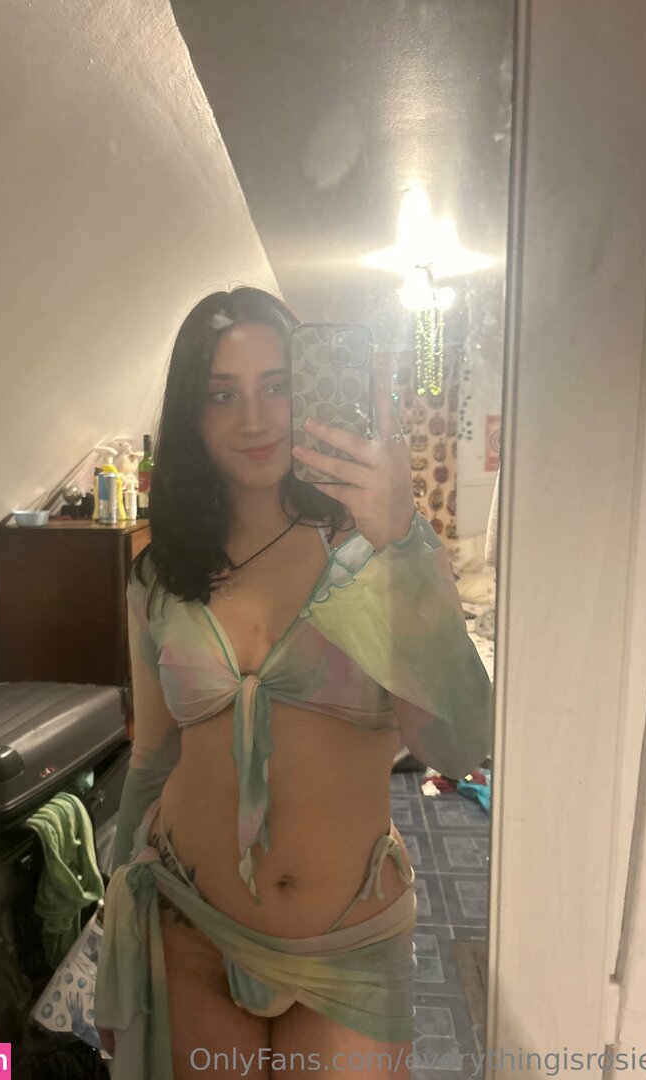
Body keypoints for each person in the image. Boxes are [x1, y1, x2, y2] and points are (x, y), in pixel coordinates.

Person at [94, 288, 493, 1078]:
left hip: (350, 941)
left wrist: (399, 541)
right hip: (187, 920)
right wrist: (114, 933)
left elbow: (457, 747)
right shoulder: (160, 576)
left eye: (276, 385)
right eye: (221, 394)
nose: (254, 419)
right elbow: (153, 756)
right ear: (190, 414)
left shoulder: (379, 551)